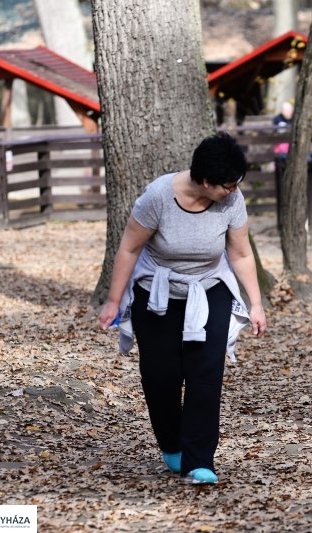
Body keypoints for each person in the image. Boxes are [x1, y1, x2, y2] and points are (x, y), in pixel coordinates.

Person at [98, 133, 267, 484]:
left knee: (205, 375)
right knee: (162, 377)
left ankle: (199, 461)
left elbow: (240, 253)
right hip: (157, 291)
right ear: (205, 181)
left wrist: (256, 304)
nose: (233, 191)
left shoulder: (231, 202)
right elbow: (128, 250)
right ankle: (172, 445)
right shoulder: (158, 197)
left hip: (209, 290)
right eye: (227, 185)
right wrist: (114, 301)